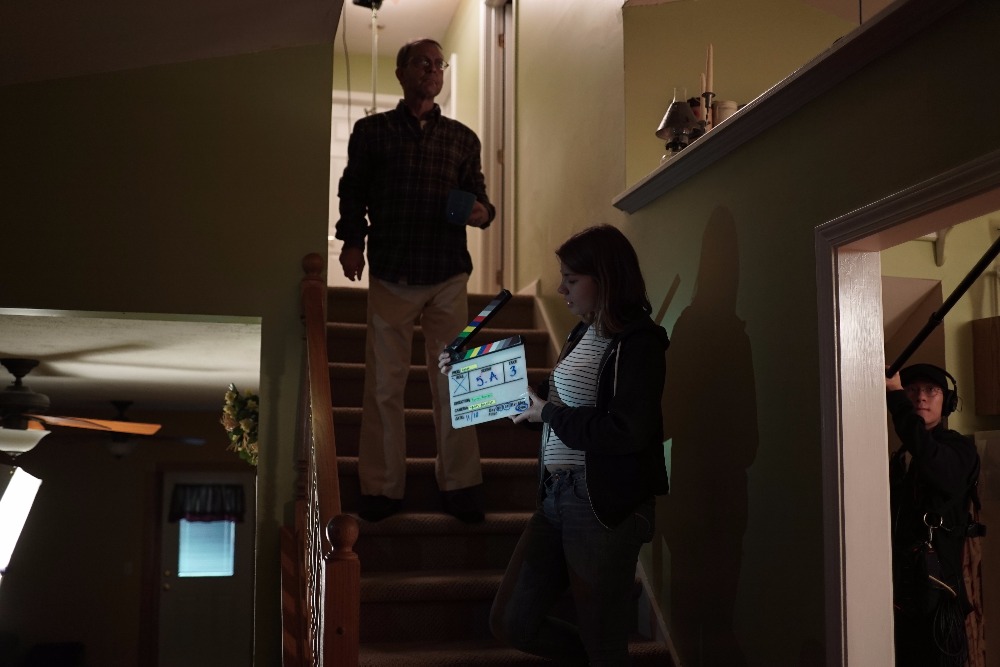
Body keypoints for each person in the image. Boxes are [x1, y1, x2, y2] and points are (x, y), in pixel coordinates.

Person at [478, 225, 670, 664]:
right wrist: (476, 384)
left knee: (603, 642)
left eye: (571, 279)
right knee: (511, 621)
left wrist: (547, 413)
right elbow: (553, 408)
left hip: (602, 503)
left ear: (605, 279)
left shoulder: (640, 342)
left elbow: (625, 431)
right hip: (554, 497)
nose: (561, 289)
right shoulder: (580, 334)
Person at [335, 38, 495, 523]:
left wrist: (482, 212)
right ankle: (381, 488)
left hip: (448, 272)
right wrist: (352, 241)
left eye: (439, 64)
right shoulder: (371, 131)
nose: (433, 70)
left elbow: (481, 201)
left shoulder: (464, 139)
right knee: (384, 385)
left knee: (456, 380)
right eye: (423, 63)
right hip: (392, 271)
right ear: (401, 72)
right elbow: (352, 191)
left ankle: (461, 485)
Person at [885, 362, 981, 667]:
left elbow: (933, 460)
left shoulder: (959, 450)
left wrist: (896, 396)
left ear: (947, 401)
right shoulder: (901, 458)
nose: (920, 397)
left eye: (931, 390)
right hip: (901, 603)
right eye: (911, 390)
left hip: (942, 606)